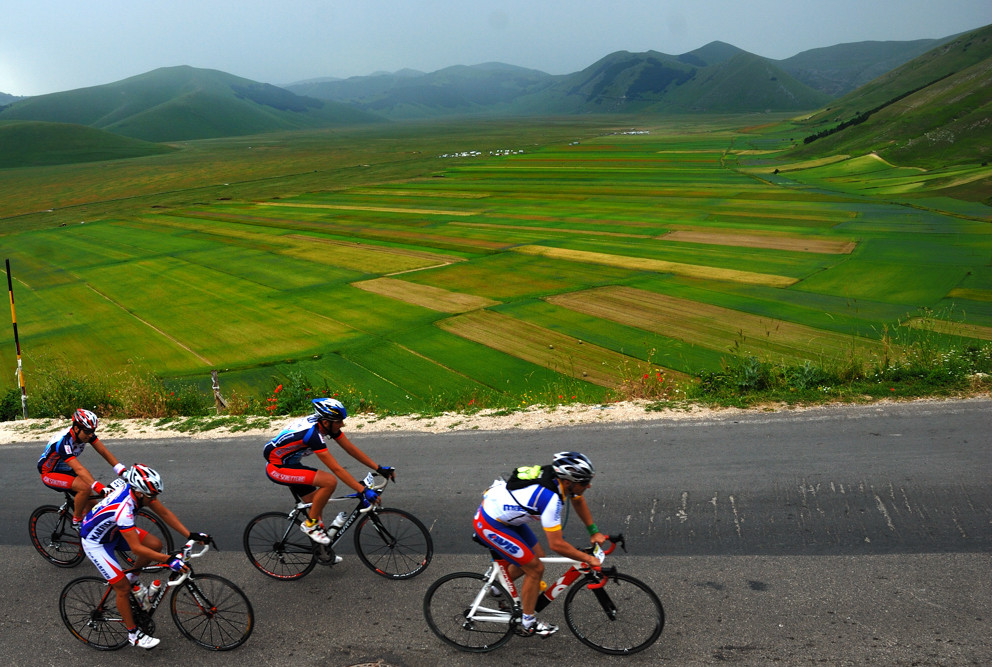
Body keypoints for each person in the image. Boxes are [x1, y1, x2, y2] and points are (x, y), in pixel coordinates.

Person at [473, 451, 606, 638]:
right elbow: (557, 545)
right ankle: (528, 623)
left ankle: (497, 587)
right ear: (569, 482)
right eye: (584, 483)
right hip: (491, 522)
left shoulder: (559, 479)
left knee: (536, 555)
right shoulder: (551, 499)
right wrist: (588, 559)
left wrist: (593, 531)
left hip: (504, 514)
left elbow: (578, 499)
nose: (588, 486)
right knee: (535, 569)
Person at [80, 463, 210, 650]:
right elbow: (137, 549)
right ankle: (133, 634)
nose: (154, 499)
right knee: (122, 588)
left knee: (155, 544)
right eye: (152, 496)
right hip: (96, 543)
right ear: (140, 493)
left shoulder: (139, 492)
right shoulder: (123, 510)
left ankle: (133, 579)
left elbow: (163, 512)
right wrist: (168, 560)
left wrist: (190, 535)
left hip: (113, 531)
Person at [263, 397, 396, 547]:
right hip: (277, 468)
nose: (342, 424)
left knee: (316, 504)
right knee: (329, 482)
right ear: (326, 422)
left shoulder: (324, 424)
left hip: (291, 464)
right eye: (339, 421)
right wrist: (363, 490)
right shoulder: (313, 435)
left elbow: (350, 449)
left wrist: (378, 468)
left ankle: (323, 552)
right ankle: (310, 524)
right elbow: (336, 468)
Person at [37, 408, 127, 526]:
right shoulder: (63, 443)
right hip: (49, 473)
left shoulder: (85, 434)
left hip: (65, 470)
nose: (90, 435)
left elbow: (103, 452)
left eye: (93, 431)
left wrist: (122, 470)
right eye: (87, 432)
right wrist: (100, 488)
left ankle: (86, 537)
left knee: (95, 510)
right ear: (76, 428)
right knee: (84, 487)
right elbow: (79, 469)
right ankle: (77, 521)